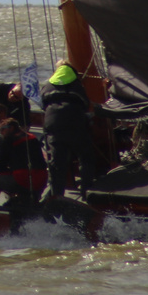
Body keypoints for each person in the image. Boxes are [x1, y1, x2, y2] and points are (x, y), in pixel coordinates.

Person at [40, 60, 106, 198]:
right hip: (75, 123)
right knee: (86, 157)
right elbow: (85, 104)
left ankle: (56, 196)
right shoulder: (76, 85)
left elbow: (43, 104)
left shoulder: (47, 85)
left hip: (53, 124)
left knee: (57, 162)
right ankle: (86, 192)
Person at [0, 107, 48, 219]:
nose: (1, 133)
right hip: (42, 179)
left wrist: (1, 147)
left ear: (11, 128)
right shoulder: (32, 137)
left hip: (24, 179)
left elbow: (0, 167)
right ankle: (25, 202)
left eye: (3, 129)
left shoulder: (8, 141)